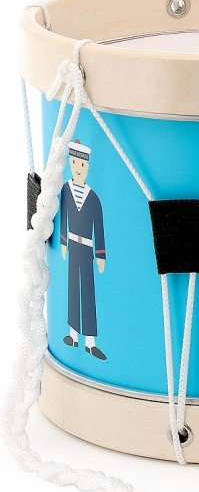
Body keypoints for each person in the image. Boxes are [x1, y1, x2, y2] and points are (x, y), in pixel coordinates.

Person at [60, 140, 107, 360]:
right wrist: (62, 242)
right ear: (70, 163)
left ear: (87, 167)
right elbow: (63, 217)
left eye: (82, 165)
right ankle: (73, 335)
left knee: (88, 291)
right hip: (72, 246)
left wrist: (100, 255)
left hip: (88, 248)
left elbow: (99, 227)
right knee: (72, 288)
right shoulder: (65, 190)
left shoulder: (93, 197)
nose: (78, 168)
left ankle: (90, 341)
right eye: (75, 163)